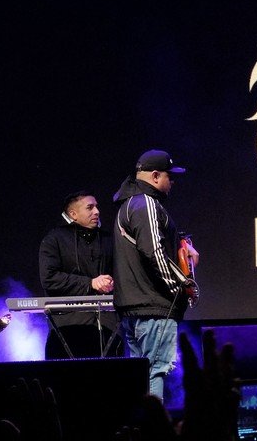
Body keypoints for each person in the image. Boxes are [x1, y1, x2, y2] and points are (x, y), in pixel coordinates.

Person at [112, 149, 199, 401]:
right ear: (155, 175)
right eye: (170, 176)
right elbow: (153, 252)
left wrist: (182, 242)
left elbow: (151, 243)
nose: (173, 182)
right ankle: (154, 430)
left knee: (142, 373)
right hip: (153, 307)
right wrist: (177, 290)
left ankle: (143, 429)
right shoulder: (145, 203)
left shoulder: (131, 203)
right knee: (155, 372)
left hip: (136, 308)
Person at [39, 190, 120, 359]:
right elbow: (49, 278)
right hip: (67, 327)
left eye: (96, 207)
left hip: (107, 327)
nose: (97, 211)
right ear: (73, 214)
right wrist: (90, 283)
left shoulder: (108, 239)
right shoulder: (54, 239)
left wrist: (113, 281)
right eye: (90, 207)